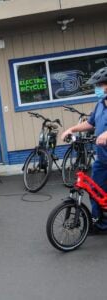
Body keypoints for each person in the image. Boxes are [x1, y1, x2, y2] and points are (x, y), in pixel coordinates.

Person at [61, 66, 107, 231]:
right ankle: (99, 222)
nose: (97, 89)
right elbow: (90, 123)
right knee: (95, 190)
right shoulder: (100, 104)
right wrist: (71, 129)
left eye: (99, 85)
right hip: (102, 158)